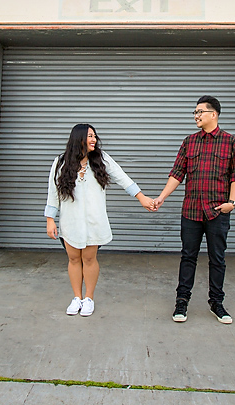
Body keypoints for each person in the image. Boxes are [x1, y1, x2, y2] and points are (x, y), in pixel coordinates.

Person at [45, 124, 155, 317]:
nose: (94, 139)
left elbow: (123, 178)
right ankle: (76, 298)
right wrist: (50, 220)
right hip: (69, 221)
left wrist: (141, 197)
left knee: (88, 259)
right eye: (89, 136)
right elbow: (52, 193)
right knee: (73, 259)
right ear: (78, 138)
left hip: (94, 220)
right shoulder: (60, 162)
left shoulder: (101, 160)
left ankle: (89, 298)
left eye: (94, 136)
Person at [153, 96, 235, 324]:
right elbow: (177, 174)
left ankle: (217, 303)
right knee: (188, 257)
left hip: (218, 212)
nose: (196, 116)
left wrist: (231, 204)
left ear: (214, 114)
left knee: (217, 259)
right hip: (191, 211)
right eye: (194, 112)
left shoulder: (231, 142)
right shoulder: (189, 142)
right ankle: (181, 302)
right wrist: (161, 197)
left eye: (200, 112)